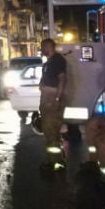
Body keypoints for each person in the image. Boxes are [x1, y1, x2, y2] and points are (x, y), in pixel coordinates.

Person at [38, 38, 67, 171]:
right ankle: (56, 160)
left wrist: (56, 99)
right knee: (51, 133)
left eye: (42, 47)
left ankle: (55, 163)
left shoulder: (57, 60)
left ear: (48, 46)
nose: (41, 49)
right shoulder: (48, 63)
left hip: (52, 101)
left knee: (51, 132)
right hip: (47, 101)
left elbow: (62, 80)